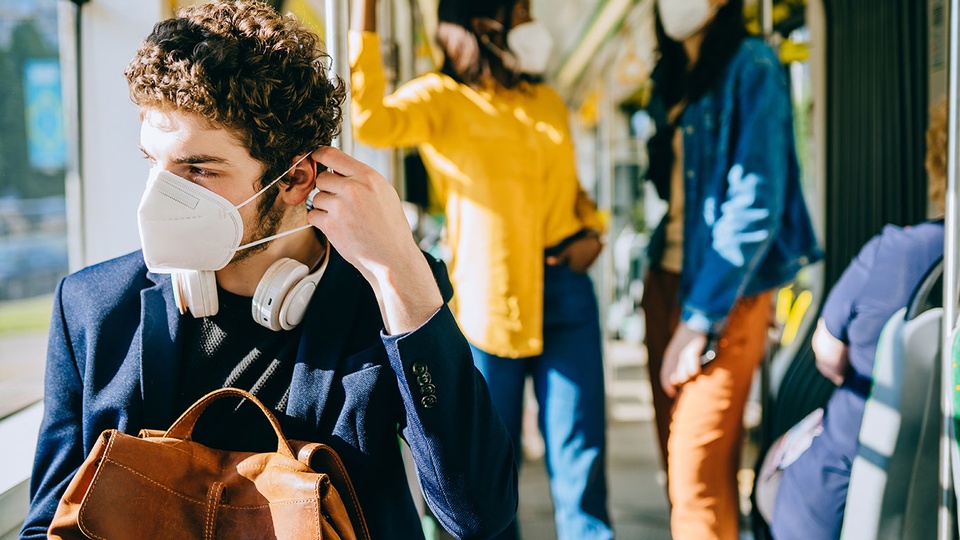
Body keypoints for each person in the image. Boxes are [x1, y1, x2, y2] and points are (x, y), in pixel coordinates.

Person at [20, 2, 518, 538]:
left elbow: (478, 512)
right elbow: (47, 523)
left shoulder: (382, 297)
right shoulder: (94, 308)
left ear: (295, 180)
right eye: (153, 162)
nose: (159, 198)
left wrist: (401, 270)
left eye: (198, 169)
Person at [349, 0, 612, 538]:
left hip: (566, 290)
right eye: (519, 12)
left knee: (581, 458)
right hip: (493, 298)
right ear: (482, 22)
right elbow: (369, 118)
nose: (529, 23)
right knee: (493, 472)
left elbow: (573, 190)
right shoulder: (442, 100)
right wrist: (364, 16)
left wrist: (594, 230)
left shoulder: (546, 101)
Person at [641, 0, 822, 538]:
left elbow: (754, 202)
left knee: (692, 470)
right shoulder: (668, 77)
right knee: (695, 473)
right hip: (664, 280)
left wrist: (700, 319)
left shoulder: (753, 65)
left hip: (725, 295)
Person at [762, 99, 948, 539]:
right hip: (930, 493)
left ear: (934, 160)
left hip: (843, 480)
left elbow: (827, 352)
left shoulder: (895, 251)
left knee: (773, 475)